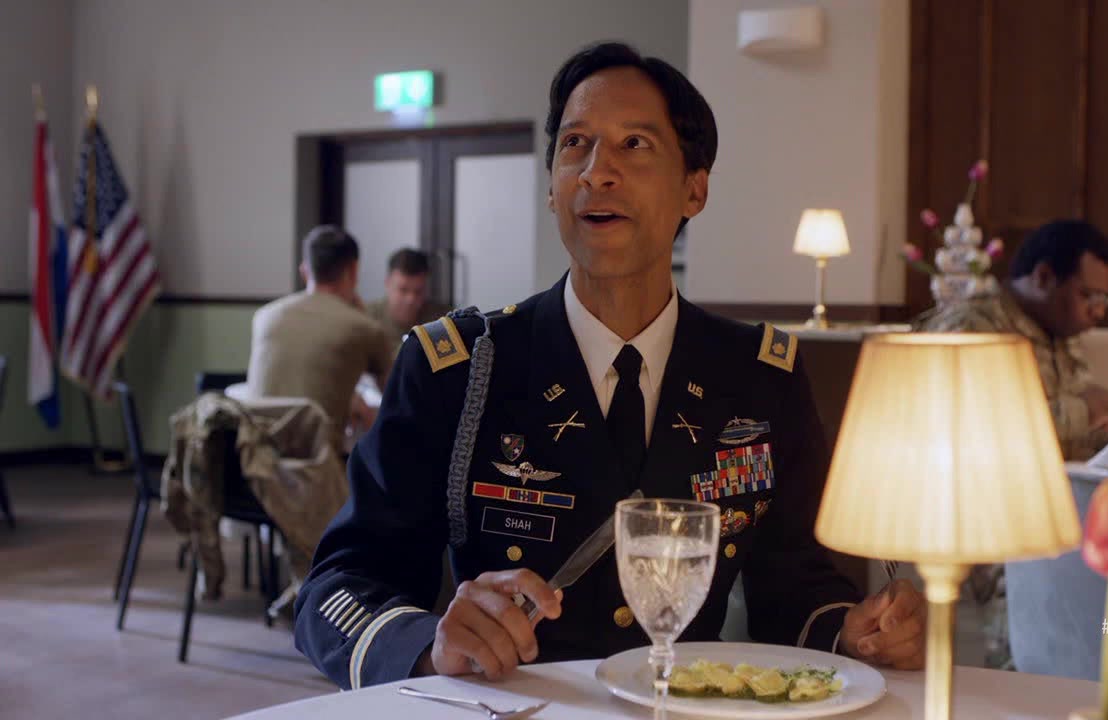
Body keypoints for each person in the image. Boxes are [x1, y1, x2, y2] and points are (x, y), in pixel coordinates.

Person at [294, 42, 927, 692]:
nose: (597, 172)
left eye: (634, 145)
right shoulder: (460, 372)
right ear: (551, 188)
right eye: (576, 144)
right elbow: (336, 589)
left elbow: (798, 586)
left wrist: (855, 631)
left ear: (694, 189)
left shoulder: (759, 378)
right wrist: (431, 644)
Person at [918, 219, 1108, 462]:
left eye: (1104, 300)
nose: (1099, 312)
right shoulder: (971, 330)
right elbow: (981, 432)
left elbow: (1066, 444)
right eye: (1088, 296)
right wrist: (1083, 411)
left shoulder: (1058, 333)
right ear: (1043, 277)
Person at [247, 225, 392, 451]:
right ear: (353, 271)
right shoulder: (363, 327)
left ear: (305, 271)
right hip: (320, 465)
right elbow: (395, 405)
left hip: (256, 460)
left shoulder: (265, 316)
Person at [366, 247, 443, 359]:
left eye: (418, 291)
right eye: (403, 290)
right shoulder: (366, 318)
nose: (410, 299)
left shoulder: (440, 321)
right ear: (387, 284)